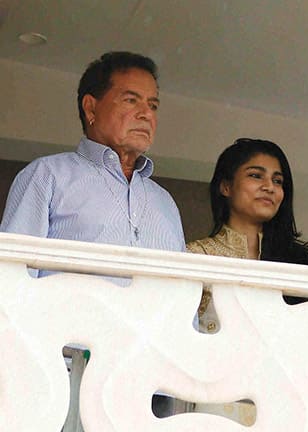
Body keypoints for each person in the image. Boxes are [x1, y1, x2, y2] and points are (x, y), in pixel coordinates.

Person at [1, 51, 185, 269]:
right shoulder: (47, 176)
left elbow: (182, 285)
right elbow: (11, 275)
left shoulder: (164, 201)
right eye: (131, 100)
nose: (146, 114)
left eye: (153, 105)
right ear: (90, 107)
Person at [187, 138, 308, 333]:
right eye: (256, 175)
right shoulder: (197, 255)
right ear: (226, 187)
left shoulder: (296, 261)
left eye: (277, 181)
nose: (269, 187)